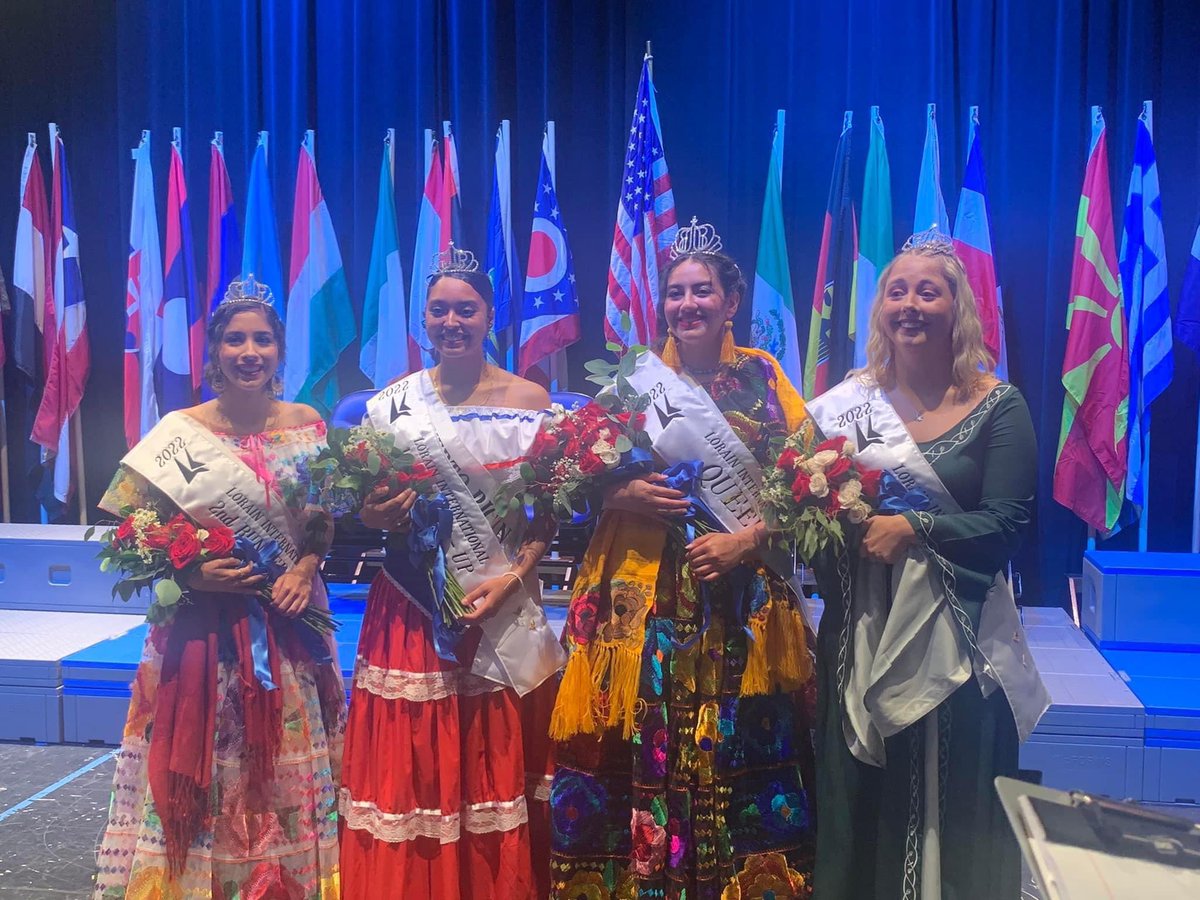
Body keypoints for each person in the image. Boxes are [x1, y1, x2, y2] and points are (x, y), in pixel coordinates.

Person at [548, 220, 816, 899]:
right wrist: (620, 491)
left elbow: (809, 488)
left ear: (731, 301)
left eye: (702, 292)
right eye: (675, 294)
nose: (687, 305)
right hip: (645, 611)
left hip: (739, 605)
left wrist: (745, 541)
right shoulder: (635, 382)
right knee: (645, 752)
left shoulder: (766, 379)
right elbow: (565, 486)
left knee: (735, 755)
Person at [806, 229, 1048, 900]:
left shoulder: (999, 405)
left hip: (959, 645)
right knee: (864, 803)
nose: (910, 304)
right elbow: (808, 515)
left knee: (951, 812)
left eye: (928, 291)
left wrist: (914, 526)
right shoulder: (843, 406)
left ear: (958, 309)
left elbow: (1008, 525)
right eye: (896, 291)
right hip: (864, 631)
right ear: (879, 308)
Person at [92, 277, 345, 899]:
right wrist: (189, 573)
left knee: (279, 771)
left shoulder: (308, 425)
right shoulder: (181, 431)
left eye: (262, 339)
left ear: (280, 351)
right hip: (204, 634)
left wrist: (304, 569)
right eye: (235, 339)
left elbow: (322, 523)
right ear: (215, 352)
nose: (249, 352)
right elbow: (127, 532)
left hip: (289, 627)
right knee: (215, 769)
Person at [338, 246, 565, 900]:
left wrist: (515, 578)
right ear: (423, 320)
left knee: (492, 761)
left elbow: (545, 516)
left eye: (466, 308)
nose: (452, 321)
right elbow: (366, 511)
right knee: (417, 770)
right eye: (439, 309)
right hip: (414, 608)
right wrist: (374, 514)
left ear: (490, 316)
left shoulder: (528, 400)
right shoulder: (390, 407)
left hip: (504, 608)